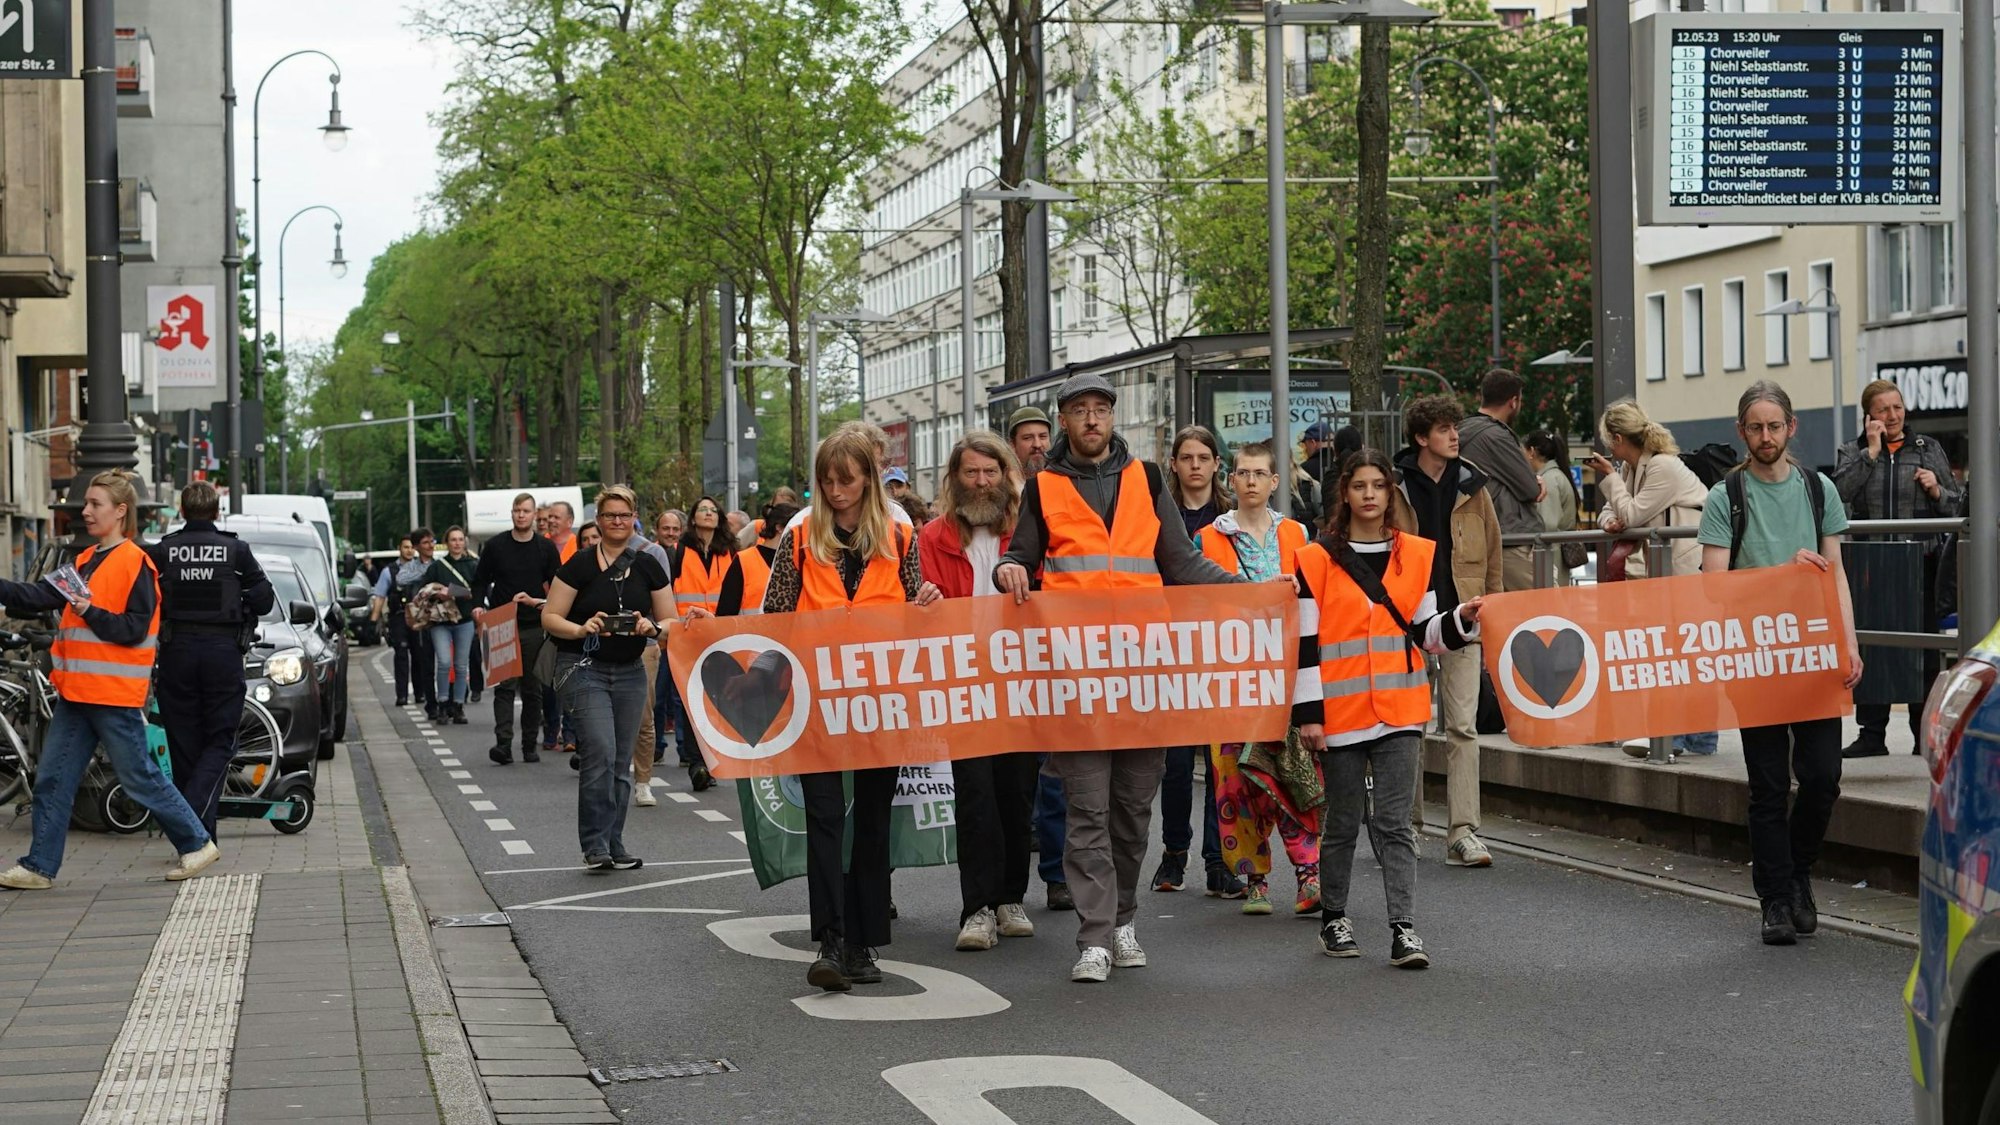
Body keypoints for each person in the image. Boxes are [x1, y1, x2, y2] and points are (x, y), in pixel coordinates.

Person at [995, 372, 1249, 983]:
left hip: (1142, 675)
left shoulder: (1148, 479)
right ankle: (1094, 937)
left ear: (1113, 418)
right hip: (1076, 678)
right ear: (1064, 421)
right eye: (1078, 410)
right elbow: (1022, 555)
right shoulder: (1043, 486)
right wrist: (1008, 568)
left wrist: (1249, 590)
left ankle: (1124, 919)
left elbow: (1180, 561)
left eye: (1099, 410)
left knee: (1133, 811)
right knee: (1086, 813)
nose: (1090, 420)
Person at [755, 429, 942, 991]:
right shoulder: (798, 535)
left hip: (881, 700)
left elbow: (913, 606)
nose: (835, 492)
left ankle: (863, 942)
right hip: (816, 700)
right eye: (826, 481)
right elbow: (774, 616)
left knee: (874, 820)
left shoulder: (900, 533)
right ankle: (831, 941)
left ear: (868, 479)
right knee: (825, 818)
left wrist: (928, 603)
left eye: (846, 480)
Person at [1296, 448, 1486, 969]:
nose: (1370, 495)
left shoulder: (1417, 554)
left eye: (1379, 486)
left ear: (1390, 493)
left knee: (1396, 823)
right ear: (1346, 494)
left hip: (1401, 708)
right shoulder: (1316, 558)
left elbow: (1427, 633)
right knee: (1342, 823)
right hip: (1340, 712)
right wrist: (1308, 716)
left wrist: (1462, 619)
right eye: (1360, 486)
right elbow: (1306, 642)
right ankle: (1334, 917)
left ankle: (1404, 928)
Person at [1698, 380, 1862, 946]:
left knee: (1823, 778)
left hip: (1813, 654)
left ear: (1791, 428)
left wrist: (1850, 642)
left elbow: (1835, 572)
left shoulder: (1819, 489)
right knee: (1768, 785)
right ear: (1741, 433)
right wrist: (1784, 575)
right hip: (1756, 657)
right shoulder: (1727, 496)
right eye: (1754, 427)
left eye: (1774, 426)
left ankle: (1796, 874)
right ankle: (1775, 898)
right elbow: (1714, 587)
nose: (1765, 436)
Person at [0, 471, 221, 890]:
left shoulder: (136, 562)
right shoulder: (84, 562)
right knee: (53, 778)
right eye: (86, 504)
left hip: (111, 696)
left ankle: (196, 842)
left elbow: (134, 629)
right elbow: (36, 597)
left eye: (94, 504)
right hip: (80, 693)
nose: (85, 511)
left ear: (121, 511)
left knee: (139, 777)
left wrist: (89, 612)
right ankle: (39, 866)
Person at [920, 431, 1039, 953]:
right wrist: (921, 600)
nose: (982, 482)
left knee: (1017, 794)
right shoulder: (932, 538)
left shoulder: (1028, 531)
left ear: (1006, 477)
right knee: (974, 796)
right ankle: (977, 908)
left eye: (991, 472)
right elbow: (917, 604)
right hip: (964, 685)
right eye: (971, 473)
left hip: (1022, 684)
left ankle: (1011, 897)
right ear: (955, 479)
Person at [1194, 441, 1321, 917]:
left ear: (1274, 482)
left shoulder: (1298, 535)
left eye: (1259, 473)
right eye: (1242, 473)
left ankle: (1309, 874)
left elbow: (1312, 604)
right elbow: (1194, 603)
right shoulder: (1207, 539)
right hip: (1229, 678)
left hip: (1285, 674)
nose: (1249, 481)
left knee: (1291, 771)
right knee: (1235, 778)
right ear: (1231, 481)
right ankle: (1256, 880)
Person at [542, 485, 675, 870]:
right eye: (609, 515)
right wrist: (583, 628)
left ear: (634, 518)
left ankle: (615, 841)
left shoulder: (650, 563)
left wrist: (650, 627)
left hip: (631, 671)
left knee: (620, 761)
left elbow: (671, 622)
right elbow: (550, 616)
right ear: (598, 521)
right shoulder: (580, 564)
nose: (617, 522)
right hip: (585, 668)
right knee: (599, 752)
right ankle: (595, 844)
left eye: (624, 515)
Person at [1394, 395, 1501, 869]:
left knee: (1463, 725)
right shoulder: (1394, 485)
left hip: (1463, 615)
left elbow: (1493, 551)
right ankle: (1407, 826)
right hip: (1408, 621)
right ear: (1422, 438)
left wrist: (1491, 607)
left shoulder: (1472, 486)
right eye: (1444, 429)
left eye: (1454, 428)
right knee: (1408, 728)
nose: (1455, 435)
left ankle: (1464, 831)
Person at [1832, 378, 1963, 758]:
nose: (1892, 415)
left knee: (1921, 652)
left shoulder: (1926, 449)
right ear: (1868, 416)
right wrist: (1871, 453)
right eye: (1883, 409)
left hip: (1917, 566)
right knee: (1871, 648)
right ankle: (1872, 734)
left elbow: (1956, 506)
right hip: (1870, 568)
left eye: (1897, 407)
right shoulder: (1852, 451)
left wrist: (1937, 489)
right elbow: (1838, 494)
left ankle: (1922, 734)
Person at [1583, 401, 1714, 757]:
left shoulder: (1662, 467)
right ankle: (1692, 737)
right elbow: (1614, 512)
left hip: (1685, 569)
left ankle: (1680, 737)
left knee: (1683, 652)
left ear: (1619, 437)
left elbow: (1633, 513)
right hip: (1664, 570)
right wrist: (1609, 520)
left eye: (1609, 440)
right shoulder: (1632, 467)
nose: (1608, 448)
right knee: (1678, 650)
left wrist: (1609, 479)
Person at [149, 480, 275, 839]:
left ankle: (197, 837)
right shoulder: (235, 551)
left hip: (177, 653)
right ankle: (193, 816)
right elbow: (264, 601)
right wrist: (239, 601)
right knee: (221, 740)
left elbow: (146, 599)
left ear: (182, 512)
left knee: (184, 743)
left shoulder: (164, 551)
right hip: (222, 653)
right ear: (217, 512)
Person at [1151, 424, 1241, 900]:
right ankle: (1173, 852)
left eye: (1203, 458)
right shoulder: (1158, 517)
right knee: (1178, 764)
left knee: (1219, 760)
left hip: (1219, 650)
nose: (1195, 466)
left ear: (1215, 464)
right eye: (1186, 458)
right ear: (1175, 465)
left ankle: (1218, 859)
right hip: (1170, 651)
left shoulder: (1230, 518)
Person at [1006, 405, 1073, 911]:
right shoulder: (1001, 496)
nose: (1036, 445)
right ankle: (1005, 886)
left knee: (1056, 769)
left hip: (1055, 646)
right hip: (1002, 651)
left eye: (1042, 436)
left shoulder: (1059, 490)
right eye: (1026, 437)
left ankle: (1056, 874)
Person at [474, 493, 561, 765]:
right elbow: (479, 581)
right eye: (516, 510)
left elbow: (558, 584)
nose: (521, 515)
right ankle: (503, 744)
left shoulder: (544, 549)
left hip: (534, 625)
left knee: (532, 688)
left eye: (525, 511)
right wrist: (478, 606)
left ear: (535, 515)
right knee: (504, 687)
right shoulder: (496, 546)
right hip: (502, 623)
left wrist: (550, 610)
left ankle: (529, 744)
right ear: (511, 514)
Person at [1455, 369, 1545, 593]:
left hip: (1478, 538)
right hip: (1511, 540)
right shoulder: (1496, 436)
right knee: (1545, 611)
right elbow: (1530, 489)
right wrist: (1537, 481)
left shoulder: (1462, 431)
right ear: (1513, 401)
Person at [422, 526, 480, 726]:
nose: (457, 543)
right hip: (441, 621)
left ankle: (458, 705)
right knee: (445, 662)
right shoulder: (438, 566)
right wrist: (437, 592)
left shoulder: (473, 565)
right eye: (453, 539)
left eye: (460, 539)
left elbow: (479, 591)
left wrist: (456, 592)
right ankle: (443, 703)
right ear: (447, 543)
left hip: (464, 620)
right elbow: (424, 589)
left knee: (461, 665)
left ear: (465, 542)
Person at [1523, 431, 1580, 587]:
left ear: (1532, 451)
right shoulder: (1556, 475)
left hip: (1550, 557)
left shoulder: (1548, 479)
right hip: (1555, 554)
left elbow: (1547, 524)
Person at [372, 534, 422, 705]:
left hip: (418, 618)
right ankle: (402, 695)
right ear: (399, 549)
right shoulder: (389, 571)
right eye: (405, 547)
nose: (409, 551)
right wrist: (374, 619)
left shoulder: (421, 568)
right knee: (401, 654)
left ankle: (420, 693)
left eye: (411, 547)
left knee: (419, 655)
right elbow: (380, 596)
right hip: (399, 617)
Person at [402, 529, 441, 717]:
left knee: (445, 661)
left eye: (432, 541)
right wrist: (426, 575)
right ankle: (430, 704)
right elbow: (400, 579)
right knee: (426, 662)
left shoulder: (440, 563)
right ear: (417, 547)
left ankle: (447, 701)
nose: (430, 546)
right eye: (425, 543)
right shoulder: (412, 566)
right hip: (423, 619)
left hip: (441, 617)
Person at [1008, 406, 1052, 477]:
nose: (1037, 444)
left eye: (1042, 436)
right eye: (1028, 438)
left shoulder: (1065, 479)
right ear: (1012, 445)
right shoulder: (1004, 484)